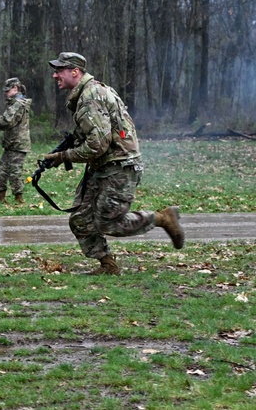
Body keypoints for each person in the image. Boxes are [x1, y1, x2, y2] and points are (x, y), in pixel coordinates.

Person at [44, 52, 185, 276]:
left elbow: (97, 145)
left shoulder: (91, 96)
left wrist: (64, 157)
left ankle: (162, 218)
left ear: (75, 72)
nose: (55, 75)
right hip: (104, 165)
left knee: (109, 222)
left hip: (120, 165)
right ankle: (108, 266)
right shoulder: (87, 94)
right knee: (81, 220)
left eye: (60, 70)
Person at [0, 77, 32, 204]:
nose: (5, 93)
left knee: (15, 172)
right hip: (11, 143)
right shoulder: (14, 103)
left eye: (7, 90)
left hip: (18, 144)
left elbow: (6, 121)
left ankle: (19, 199)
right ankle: (1, 195)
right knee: (2, 171)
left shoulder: (18, 104)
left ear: (15, 88)